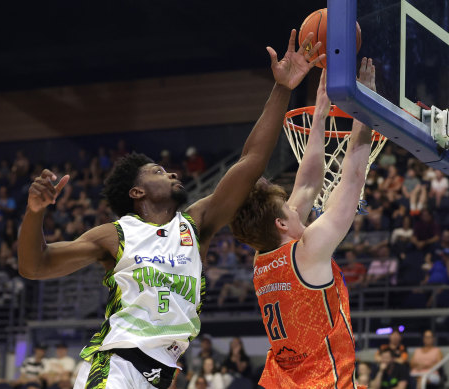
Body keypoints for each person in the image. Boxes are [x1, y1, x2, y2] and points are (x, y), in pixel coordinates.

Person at [17, 29, 325, 389]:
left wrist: (283, 87)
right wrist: (35, 211)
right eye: (158, 172)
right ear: (137, 191)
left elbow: (251, 160)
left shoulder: (195, 226)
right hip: (117, 366)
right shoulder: (116, 235)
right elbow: (33, 266)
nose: (172, 172)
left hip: (162, 375)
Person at [229, 58, 378, 388]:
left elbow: (309, 183)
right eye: (289, 209)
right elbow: (353, 175)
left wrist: (321, 115)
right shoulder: (310, 248)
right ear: (282, 224)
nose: (297, 208)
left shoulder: (263, 256)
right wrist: (363, 106)